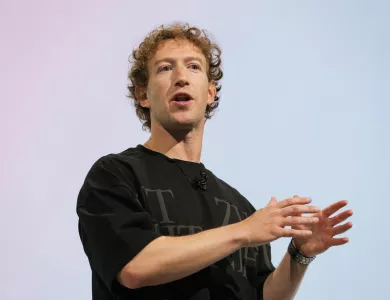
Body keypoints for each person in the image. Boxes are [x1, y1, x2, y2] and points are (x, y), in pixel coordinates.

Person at [76, 22, 353, 300]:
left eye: (193, 67)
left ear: (209, 93)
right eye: (165, 68)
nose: (181, 78)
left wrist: (299, 254)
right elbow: (134, 267)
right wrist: (244, 231)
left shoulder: (240, 207)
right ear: (142, 94)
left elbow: (263, 296)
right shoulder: (115, 175)